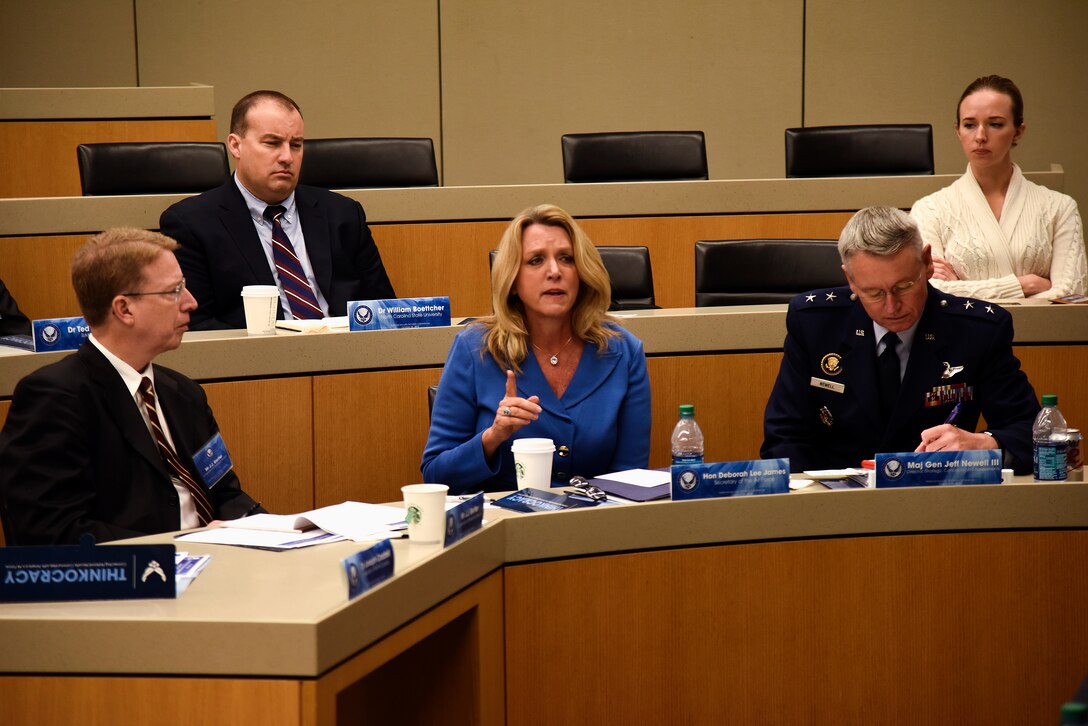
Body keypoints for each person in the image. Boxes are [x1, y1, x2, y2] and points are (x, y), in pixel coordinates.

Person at [0, 228, 263, 545]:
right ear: (124, 309)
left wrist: (279, 531)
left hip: (219, 559)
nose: (191, 303)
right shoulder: (55, 397)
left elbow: (226, 494)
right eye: (174, 291)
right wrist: (181, 544)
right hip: (139, 570)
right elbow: (51, 533)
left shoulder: (184, 393)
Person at [761, 207, 1040, 473]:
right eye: (874, 293)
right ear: (850, 279)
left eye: (904, 286)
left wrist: (983, 443)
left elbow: (1030, 431)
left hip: (937, 494)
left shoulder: (977, 331)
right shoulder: (815, 323)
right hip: (835, 498)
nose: (892, 306)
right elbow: (784, 436)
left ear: (927, 263)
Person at [422, 204, 651, 494]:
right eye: (536, 260)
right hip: (501, 519)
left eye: (566, 258)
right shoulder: (475, 348)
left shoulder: (623, 351)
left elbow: (630, 477)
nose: (554, 271)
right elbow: (435, 475)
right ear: (513, 281)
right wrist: (493, 436)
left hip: (596, 517)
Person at [160, 90, 395, 330]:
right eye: (272, 143)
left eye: (296, 145)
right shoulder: (192, 223)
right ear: (236, 145)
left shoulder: (342, 214)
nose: (287, 157)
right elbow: (197, 325)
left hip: (347, 348)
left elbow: (384, 311)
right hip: (254, 352)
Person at [910, 75, 1087, 300]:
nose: (980, 136)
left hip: (1040, 325)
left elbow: (1072, 296)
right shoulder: (929, 209)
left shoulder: (1060, 207)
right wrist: (1026, 285)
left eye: (995, 124)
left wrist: (961, 289)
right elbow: (930, 293)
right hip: (964, 325)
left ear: (1018, 131)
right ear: (958, 131)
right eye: (969, 125)